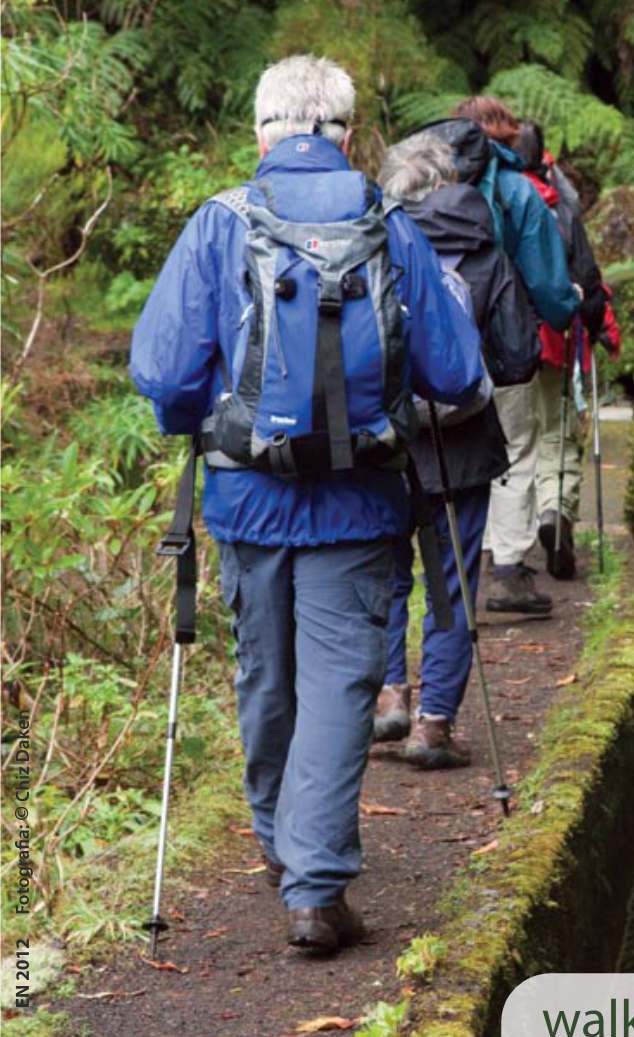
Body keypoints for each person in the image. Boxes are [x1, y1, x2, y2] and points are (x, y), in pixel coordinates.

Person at [130, 55, 484, 956]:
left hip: (248, 500)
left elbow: (165, 375)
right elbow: (452, 370)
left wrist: (206, 425)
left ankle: (283, 849)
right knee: (338, 686)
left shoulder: (220, 224)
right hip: (361, 506)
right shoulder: (391, 224)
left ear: (262, 132)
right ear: (344, 131)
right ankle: (314, 888)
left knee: (266, 675)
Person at [373, 132, 539, 766]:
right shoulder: (484, 250)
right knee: (452, 586)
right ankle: (433, 726)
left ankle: (389, 695)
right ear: (448, 183)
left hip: (386, 442)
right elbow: (520, 355)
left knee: (388, 576)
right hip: (462, 445)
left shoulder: (373, 244)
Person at [417, 101, 579, 615]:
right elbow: (548, 281)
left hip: (430, 342)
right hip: (502, 337)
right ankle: (507, 571)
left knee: (439, 448)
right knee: (515, 449)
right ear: (504, 142)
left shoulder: (415, 179)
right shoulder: (516, 190)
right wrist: (566, 309)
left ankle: (448, 570)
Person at [515, 122, 620, 578]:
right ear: (543, 158)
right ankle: (555, 513)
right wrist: (596, 325)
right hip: (553, 340)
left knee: (514, 440)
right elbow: (589, 280)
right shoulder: (559, 208)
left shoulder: (484, 200)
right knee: (558, 437)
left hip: (500, 347)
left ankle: (507, 547)